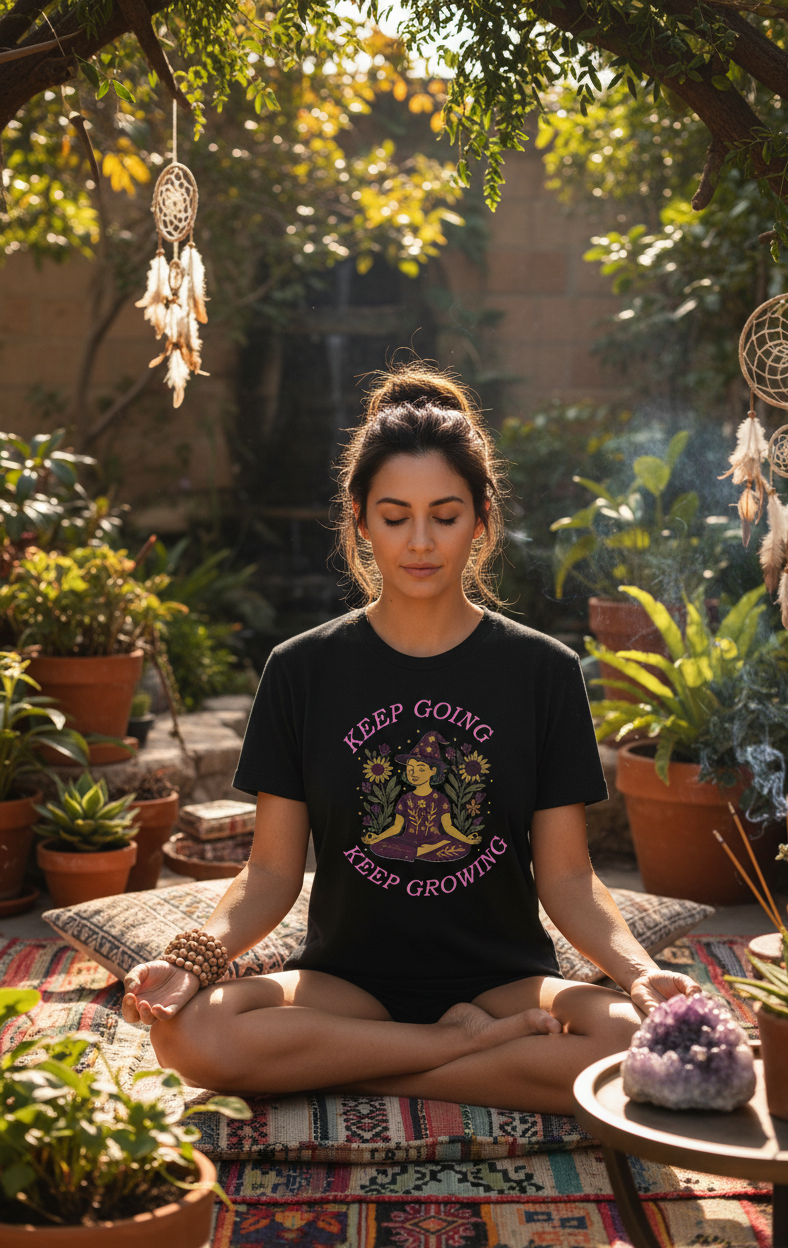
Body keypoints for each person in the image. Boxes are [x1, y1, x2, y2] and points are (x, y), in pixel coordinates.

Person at [123, 364, 698, 1114]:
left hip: (501, 983)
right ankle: (460, 1052)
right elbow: (268, 874)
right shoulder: (300, 670)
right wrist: (191, 960)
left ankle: (349, 1066)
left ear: (482, 518)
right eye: (395, 517)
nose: (420, 542)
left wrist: (636, 972)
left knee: (632, 1042)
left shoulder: (542, 672)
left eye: (445, 515)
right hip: (346, 986)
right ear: (359, 519)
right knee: (187, 1035)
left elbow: (566, 880)